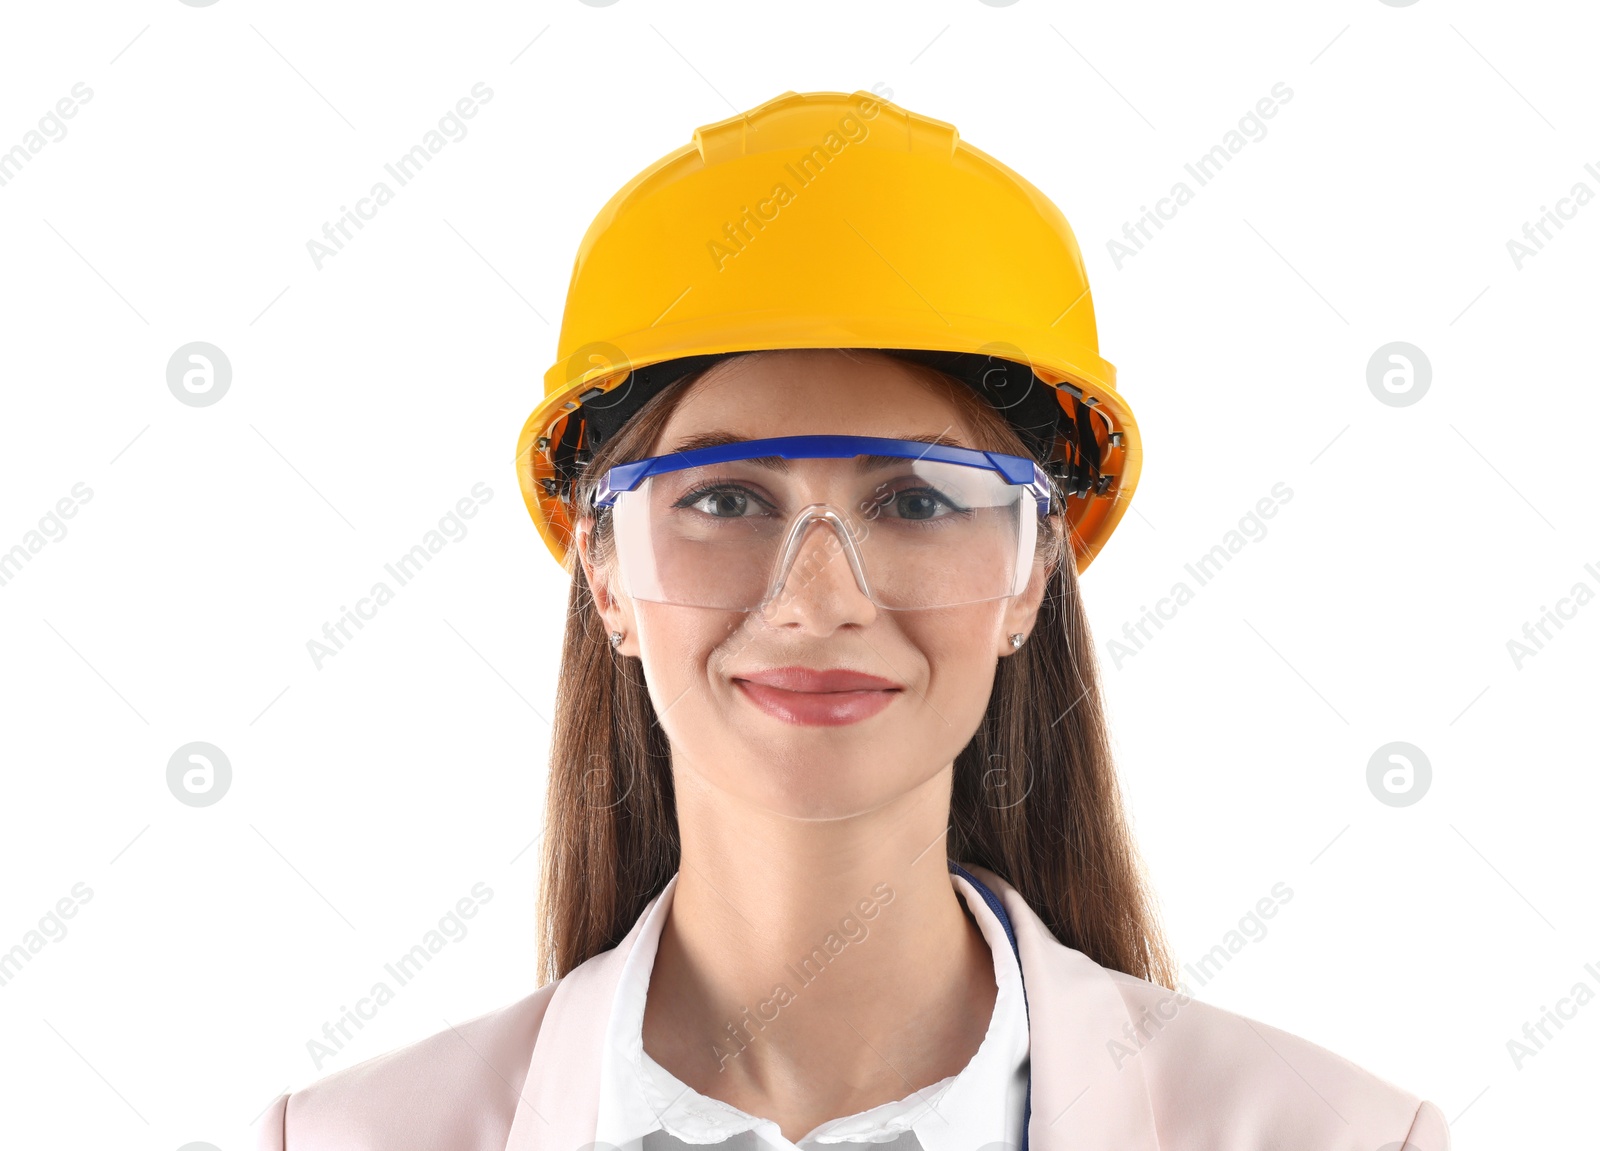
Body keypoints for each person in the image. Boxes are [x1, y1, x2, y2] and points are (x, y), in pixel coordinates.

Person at [251, 89, 1449, 1151]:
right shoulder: (352, 1139)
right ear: (603, 571)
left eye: (918, 498)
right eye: (725, 499)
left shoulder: (1330, 1136)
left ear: (1032, 575)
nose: (818, 598)